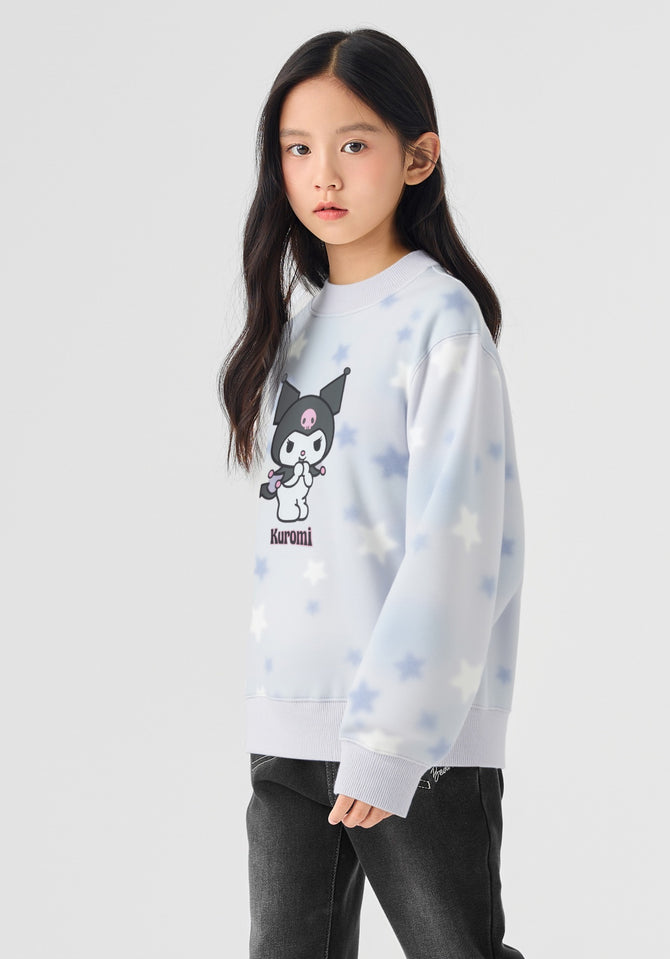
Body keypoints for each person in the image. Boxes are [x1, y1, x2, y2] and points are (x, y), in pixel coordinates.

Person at [218, 27, 526, 959]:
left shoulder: (440, 320)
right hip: (290, 722)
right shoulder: (298, 329)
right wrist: (278, 711)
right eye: (298, 148)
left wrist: (391, 739)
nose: (323, 174)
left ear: (418, 156)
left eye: (353, 144)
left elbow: (459, 546)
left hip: (416, 741)